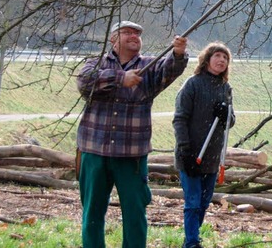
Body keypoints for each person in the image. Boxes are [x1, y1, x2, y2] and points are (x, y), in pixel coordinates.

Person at [76, 20, 189, 248]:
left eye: (137, 33)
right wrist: (121, 79)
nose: (134, 36)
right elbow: (84, 82)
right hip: (94, 152)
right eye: (127, 32)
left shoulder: (150, 67)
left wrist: (178, 54)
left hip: (132, 158)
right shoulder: (95, 62)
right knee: (92, 214)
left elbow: (170, 69)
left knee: (135, 215)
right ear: (113, 39)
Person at [172, 42, 236, 248]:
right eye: (218, 56)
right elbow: (179, 119)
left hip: (211, 157)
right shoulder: (193, 84)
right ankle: (192, 243)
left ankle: (192, 238)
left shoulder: (226, 89)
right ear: (207, 59)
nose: (221, 60)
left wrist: (226, 114)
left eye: (225, 58)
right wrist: (185, 149)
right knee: (192, 202)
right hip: (191, 154)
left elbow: (230, 121)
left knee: (203, 203)